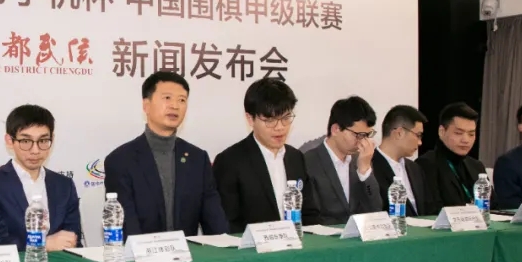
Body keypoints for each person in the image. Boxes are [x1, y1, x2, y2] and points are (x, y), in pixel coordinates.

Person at [103, 71, 227, 239]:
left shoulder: (198, 159)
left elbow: (216, 225)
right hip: (142, 253)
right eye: (167, 98)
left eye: (182, 100)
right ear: (146, 105)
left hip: (188, 254)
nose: (175, 106)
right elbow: (127, 228)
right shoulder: (120, 161)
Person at [213, 77, 320, 234]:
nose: (280, 127)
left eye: (286, 118)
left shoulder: (296, 157)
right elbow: (228, 223)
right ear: (250, 119)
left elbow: (310, 214)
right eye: (270, 120)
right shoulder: (230, 161)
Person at [0, 105, 81, 252]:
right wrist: (42, 244)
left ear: (52, 139)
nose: (35, 150)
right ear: (9, 141)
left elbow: (73, 239)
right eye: (26, 141)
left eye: (43, 141)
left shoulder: (64, 185)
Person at [303, 96, 383, 225]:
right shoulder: (309, 162)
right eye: (358, 135)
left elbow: (375, 210)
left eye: (367, 135)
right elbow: (311, 217)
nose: (363, 141)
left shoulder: (361, 159)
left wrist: (365, 172)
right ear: (336, 129)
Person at [416, 102, 486, 210]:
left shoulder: (477, 166)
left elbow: (493, 206)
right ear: (442, 132)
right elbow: (431, 210)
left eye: (471, 134)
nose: (466, 140)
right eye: (458, 133)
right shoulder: (426, 165)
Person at [372, 105, 433, 217]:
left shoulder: (415, 168)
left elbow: (428, 209)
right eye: (418, 135)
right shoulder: (369, 167)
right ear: (399, 133)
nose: (420, 142)